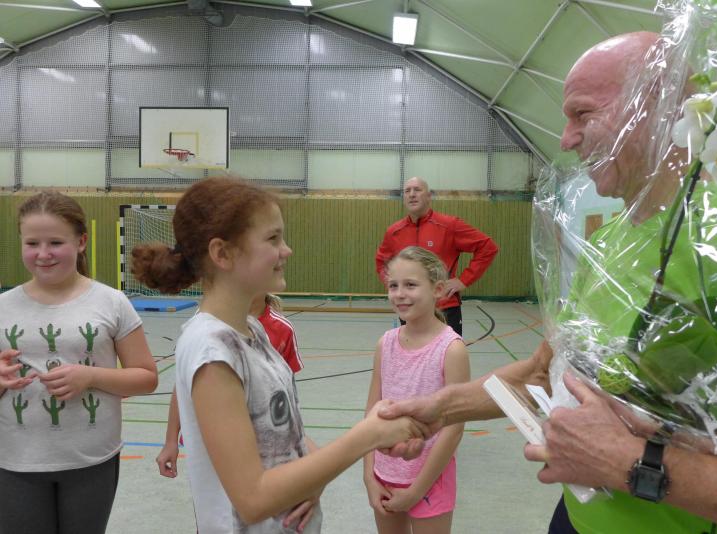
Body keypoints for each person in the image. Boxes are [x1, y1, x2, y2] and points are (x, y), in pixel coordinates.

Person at [379, 32, 717, 534]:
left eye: (582, 114)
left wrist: (632, 464)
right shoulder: (608, 244)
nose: (565, 139)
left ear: (659, 107)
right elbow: (545, 375)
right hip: (575, 519)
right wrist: (441, 408)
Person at [132, 177, 428, 534]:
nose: (286, 250)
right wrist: (367, 436)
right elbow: (253, 499)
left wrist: (335, 463)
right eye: (273, 239)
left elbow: (286, 436)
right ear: (222, 254)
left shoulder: (250, 330)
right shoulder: (212, 353)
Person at [0, 191, 158, 534]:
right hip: (15, 462)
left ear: (81, 241)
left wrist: (90, 376)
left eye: (56, 242)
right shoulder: (3, 307)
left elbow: (146, 377)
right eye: (32, 243)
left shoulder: (112, 303)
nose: (43, 254)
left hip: (90, 460)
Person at [364, 246, 470, 534]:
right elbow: (371, 414)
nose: (399, 294)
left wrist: (416, 491)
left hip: (430, 479)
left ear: (438, 290)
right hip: (385, 474)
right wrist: (369, 476)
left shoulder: (451, 349)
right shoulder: (385, 343)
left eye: (410, 285)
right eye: (393, 286)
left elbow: (454, 429)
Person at [156, 293, 304, 480]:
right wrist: (171, 440)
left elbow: (286, 394)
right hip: (210, 438)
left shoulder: (282, 329)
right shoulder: (205, 325)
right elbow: (183, 386)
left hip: (262, 441)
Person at [375, 177, 499, 336]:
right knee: (413, 352)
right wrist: (395, 286)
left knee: (449, 352)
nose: (412, 194)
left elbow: (487, 247)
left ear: (429, 196)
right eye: (407, 191)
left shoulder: (450, 225)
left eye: (417, 190)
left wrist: (464, 280)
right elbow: (381, 262)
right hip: (410, 309)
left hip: (445, 308)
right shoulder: (394, 232)